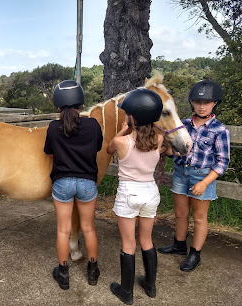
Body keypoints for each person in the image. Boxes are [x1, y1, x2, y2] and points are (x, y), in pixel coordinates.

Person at [158, 79, 230, 272]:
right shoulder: (184, 124)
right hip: (181, 173)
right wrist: (166, 150)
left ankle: (195, 253)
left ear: (214, 104)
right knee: (180, 214)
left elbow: (222, 162)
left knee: (199, 218)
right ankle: (179, 245)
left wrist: (205, 183)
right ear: (192, 103)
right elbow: (176, 152)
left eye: (206, 102)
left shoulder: (219, 130)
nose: (201, 106)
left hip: (202, 176)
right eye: (198, 102)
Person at [44, 80, 103, 290]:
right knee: (88, 228)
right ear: (81, 103)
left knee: (63, 230)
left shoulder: (53, 127)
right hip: (87, 182)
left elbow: (49, 152)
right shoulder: (93, 125)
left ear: (58, 106)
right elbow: (97, 147)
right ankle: (93, 272)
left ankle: (63, 274)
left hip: (62, 183)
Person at [107, 88, 164, 305]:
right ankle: (150, 286)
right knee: (147, 240)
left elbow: (108, 148)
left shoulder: (123, 142)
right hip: (150, 192)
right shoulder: (159, 139)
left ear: (132, 116)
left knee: (128, 244)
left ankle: (126, 292)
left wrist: (123, 130)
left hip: (129, 193)